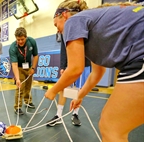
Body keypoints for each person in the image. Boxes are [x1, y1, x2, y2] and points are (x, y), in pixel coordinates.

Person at [45, 0, 144, 141]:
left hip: (139, 57)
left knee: (111, 127)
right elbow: (97, 72)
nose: (58, 30)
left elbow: (75, 69)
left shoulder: (73, 21)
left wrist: (53, 90)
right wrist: (79, 96)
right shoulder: (92, 28)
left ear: (64, 15)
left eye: (56, 24)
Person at [46, 33, 91, 126]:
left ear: (64, 17)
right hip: (69, 63)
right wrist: (62, 66)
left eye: (56, 25)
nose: (57, 29)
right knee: (63, 87)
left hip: (83, 62)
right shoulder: (63, 32)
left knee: (79, 89)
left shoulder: (81, 26)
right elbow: (63, 49)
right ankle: (58, 116)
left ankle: (75, 114)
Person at [9, 27, 39, 115]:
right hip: (19, 68)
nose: (20, 41)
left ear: (26, 37)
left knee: (28, 86)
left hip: (29, 67)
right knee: (20, 87)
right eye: (18, 40)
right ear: (16, 38)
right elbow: (14, 64)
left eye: (22, 39)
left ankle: (28, 101)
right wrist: (17, 79)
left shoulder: (32, 42)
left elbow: (36, 55)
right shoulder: (13, 47)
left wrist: (33, 68)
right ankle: (17, 107)